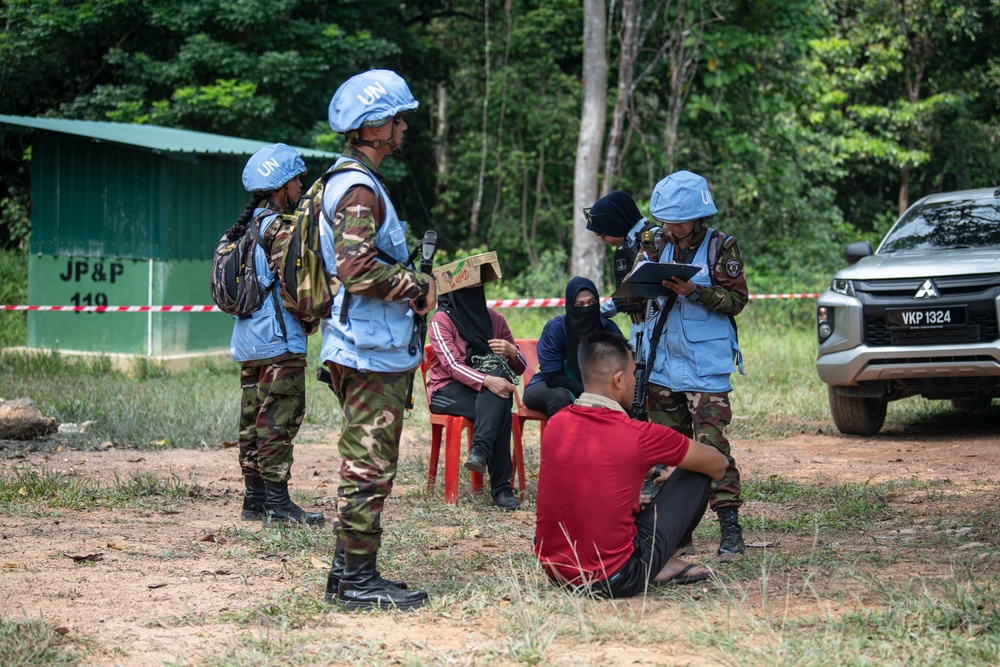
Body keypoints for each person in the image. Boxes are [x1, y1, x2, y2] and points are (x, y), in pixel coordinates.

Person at [318, 69, 436, 612]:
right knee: (368, 468)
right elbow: (358, 270)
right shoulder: (360, 189)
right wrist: (418, 285)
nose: (404, 126)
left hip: (366, 345)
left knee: (364, 464)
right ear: (374, 127)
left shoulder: (349, 181)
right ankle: (360, 583)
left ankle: (346, 575)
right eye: (397, 118)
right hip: (369, 352)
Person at [534, 330, 728, 597]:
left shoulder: (556, 423)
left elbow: (601, 464)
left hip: (556, 571)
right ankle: (662, 563)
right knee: (696, 473)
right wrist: (672, 466)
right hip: (615, 578)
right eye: (633, 375)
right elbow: (718, 464)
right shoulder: (637, 434)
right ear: (618, 379)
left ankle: (662, 562)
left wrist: (653, 469)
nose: (635, 380)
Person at [639, 170, 749, 562]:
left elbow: (737, 301)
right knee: (668, 451)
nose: (671, 228)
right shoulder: (653, 241)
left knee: (711, 447)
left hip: (705, 364)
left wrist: (695, 291)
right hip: (662, 362)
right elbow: (637, 290)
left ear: (698, 217)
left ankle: (730, 531)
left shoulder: (722, 246)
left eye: (679, 221)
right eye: (666, 220)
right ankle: (677, 534)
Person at [230, 143, 325, 527]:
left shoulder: (244, 229)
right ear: (280, 186)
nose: (301, 185)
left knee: (253, 420)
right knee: (279, 420)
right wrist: (312, 316)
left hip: (248, 341)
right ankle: (278, 504)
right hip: (278, 341)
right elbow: (296, 285)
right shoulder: (281, 229)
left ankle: (254, 500)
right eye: (296, 179)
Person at [426, 283, 526, 510]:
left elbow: (520, 368)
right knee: (499, 400)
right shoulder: (442, 320)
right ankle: (500, 489)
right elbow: (451, 366)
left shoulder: (495, 319)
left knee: (498, 393)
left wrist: (512, 352)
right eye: (465, 290)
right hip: (446, 390)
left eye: (476, 289)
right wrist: (487, 381)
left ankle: (480, 452)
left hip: (484, 391)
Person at [522, 277, 621, 417]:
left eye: (592, 303)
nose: (586, 309)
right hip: (548, 386)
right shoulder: (556, 328)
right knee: (561, 399)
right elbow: (553, 377)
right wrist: (592, 393)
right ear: (569, 306)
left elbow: (621, 368)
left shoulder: (608, 328)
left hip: (598, 389)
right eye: (579, 305)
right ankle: (562, 439)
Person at [584, 190, 659, 327]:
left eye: (603, 235)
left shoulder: (654, 240)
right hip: (638, 326)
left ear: (615, 224)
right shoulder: (626, 246)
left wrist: (596, 312)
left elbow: (634, 289)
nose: (604, 241)